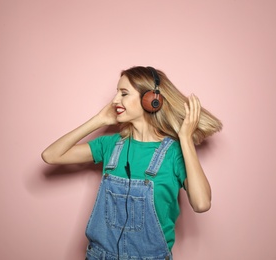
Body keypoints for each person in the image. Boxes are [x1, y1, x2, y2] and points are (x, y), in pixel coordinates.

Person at [42, 66, 222, 260]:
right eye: (117, 93)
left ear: (150, 100)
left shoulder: (174, 153)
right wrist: (99, 120)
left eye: (124, 93)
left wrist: (185, 139)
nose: (115, 100)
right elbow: (51, 156)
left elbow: (202, 203)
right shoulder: (110, 144)